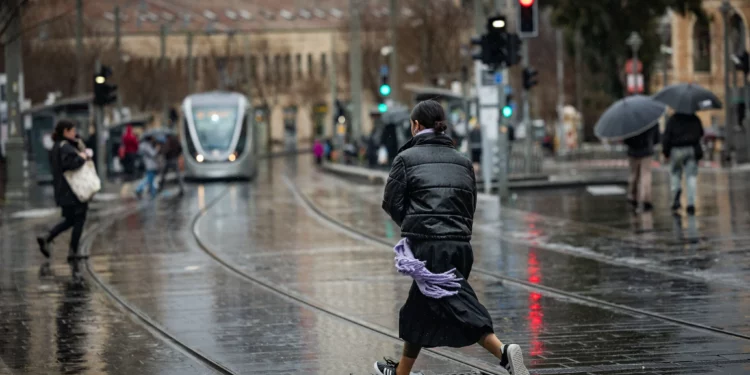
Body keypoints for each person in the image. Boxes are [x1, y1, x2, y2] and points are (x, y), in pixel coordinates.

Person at [376, 100, 528, 375]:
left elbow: (391, 202)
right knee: (418, 312)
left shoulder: (406, 159)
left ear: (415, 126)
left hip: (428, 247)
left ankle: (504, 352)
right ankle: (401, 373)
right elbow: (470, 202)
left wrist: (413, 225)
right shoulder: (462, 160)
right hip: (460, 245)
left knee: (457, 302)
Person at [37, 119, 91, 261]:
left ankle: (47, 237)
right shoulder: (65, 147)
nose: (75, 133)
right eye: (72, 130)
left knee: (70, 220)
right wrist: (82, 157)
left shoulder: (56, 146)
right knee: (79, 219)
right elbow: (70, 165)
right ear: (66, 131)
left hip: (62, 190)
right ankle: (73, 252)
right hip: (73, 190)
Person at [662, 113, 704, 215]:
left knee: (675, 174)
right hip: (691, 149)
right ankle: (691, 203)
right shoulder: (695, 118)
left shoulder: (672, 119)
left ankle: (676, 196)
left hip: (676, 150)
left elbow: (666, 136)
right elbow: (701, 133)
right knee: (691, 177)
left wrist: (666, 152)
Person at [624, 125, 660, 213]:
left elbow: (626, 139)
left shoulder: (630, 121)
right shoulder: (652, 121)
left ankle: (632, 195)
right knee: (646, 175)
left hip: (633, 151)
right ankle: (646, 200)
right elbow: (657, 138)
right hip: (647, 150)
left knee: (633, 174)